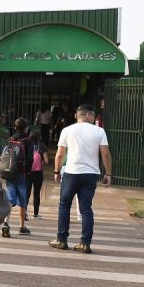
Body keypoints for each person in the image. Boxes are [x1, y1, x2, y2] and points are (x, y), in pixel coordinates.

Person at [49, 104, 112, 254]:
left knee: (64, 205)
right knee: (86, 208)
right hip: (90, 174)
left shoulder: (67, 130)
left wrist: (57, 171)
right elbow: (105, 154)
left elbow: (59, 154)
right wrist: (108, 174)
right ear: (89, 115)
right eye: (94, 116)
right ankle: (85, 243)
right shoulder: (99, 131)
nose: (94, 118)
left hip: (71, 172)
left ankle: (61, 239)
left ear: (78, 115)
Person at [2, 117, 33, 238]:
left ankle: (6, 222)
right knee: (22, 199)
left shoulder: (11, 139)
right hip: (21, 173)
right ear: (26, 128)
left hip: (9, 172)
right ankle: (22, 226)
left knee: (11, 198)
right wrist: (28, 172)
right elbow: (30, 159)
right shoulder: (28, 141)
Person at [26, 135, 47, 219]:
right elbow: (46, 160)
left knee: (26, 193)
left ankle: (24, 213)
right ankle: (36, 214)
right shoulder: (41, 145)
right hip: (38, 173)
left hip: (28, 172)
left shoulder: (26, 144)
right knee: (37, 193)